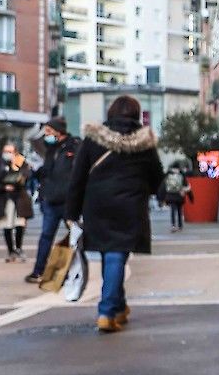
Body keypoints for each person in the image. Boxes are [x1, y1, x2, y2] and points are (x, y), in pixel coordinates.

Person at [65, 94, 163, 334]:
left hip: (97, 205)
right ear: (137, 115)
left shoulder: (92, 140)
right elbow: (156, 178)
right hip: (130, 206)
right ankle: (107, 311)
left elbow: (78, 177)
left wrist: (71, 212)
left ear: (110, 114)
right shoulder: (145, 144)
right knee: (117, 255)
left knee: (110, 254)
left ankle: (118, 307)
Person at [26, 117, 79, 282]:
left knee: (74, 237)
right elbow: (46, 172)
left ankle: (72, 271)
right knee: (46, 236)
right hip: (50, 200)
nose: (46, 134)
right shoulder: (50, 149)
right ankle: (39, 271)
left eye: (49, 131)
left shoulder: (74, 146)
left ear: (58, 131)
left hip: (68, 200)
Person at [0, 142, 33, 262]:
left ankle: (18, 248)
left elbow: (27, 176)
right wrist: (4, 187)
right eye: (5, 151)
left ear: (15, 152)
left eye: (10, 151)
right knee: (6, 225)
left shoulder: (21, 162)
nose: (7, 154)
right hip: (4, 199)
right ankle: (11, 251)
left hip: (19, 198)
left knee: (20, 224)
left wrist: (16, 167)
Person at [161, 162, 187, 231]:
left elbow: (164, 186)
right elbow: (185, 185)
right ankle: (179, 225)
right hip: (178, 195)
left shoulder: (168, 175)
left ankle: (173, 225)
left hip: (171, 195)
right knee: (179, 211)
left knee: (174, 211)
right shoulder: (181, 175)